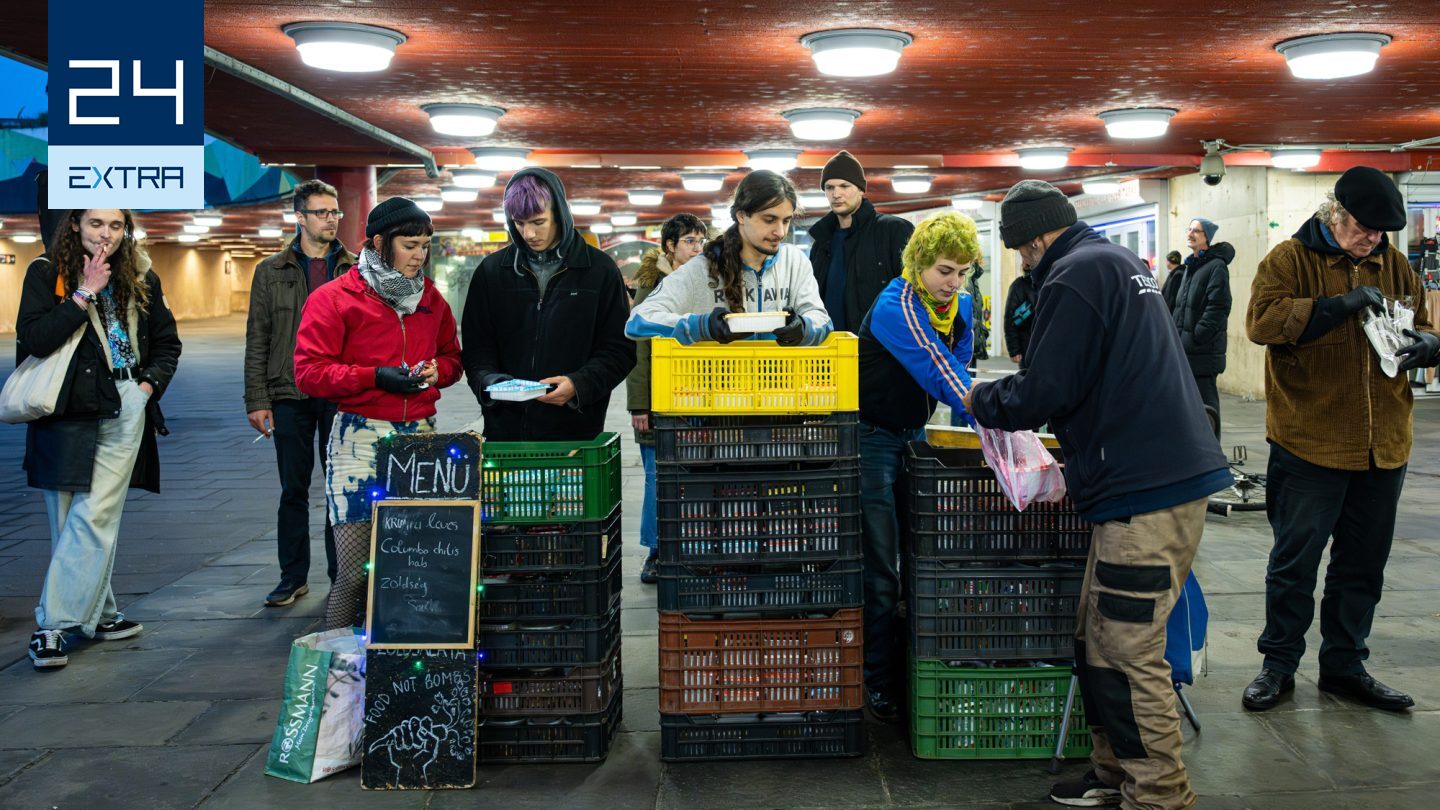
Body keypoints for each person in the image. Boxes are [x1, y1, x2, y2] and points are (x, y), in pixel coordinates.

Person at [958, 180, 1230, 810]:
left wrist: (979, 399)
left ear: (1034, 239)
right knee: (1098, 635)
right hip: (1143, 481)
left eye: (1022, 252)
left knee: (1130, 649)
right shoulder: (1114, 263)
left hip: (1145, 489)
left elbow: (1044, 388)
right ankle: (1114, 774)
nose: (1024, 263)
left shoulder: (1073, 276)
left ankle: (1159, 794)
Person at [1241, 166, 1440, 715]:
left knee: (1362, 564)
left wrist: (1427, 343)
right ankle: (1278, 666)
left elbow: (1422, 321)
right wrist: (1337, 307)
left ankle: (1345, 666)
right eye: (1365, 228)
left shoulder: (1393, 263)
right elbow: (1262, 322)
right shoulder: (1290, 259)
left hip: (1384, 445)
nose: (1373, 239)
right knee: (1295, 563)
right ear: (1336, 213)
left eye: (1381, 232)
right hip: (1310, 443)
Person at [18, 208, 181, 669]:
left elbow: (168, 343)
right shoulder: (47, 272)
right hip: (66, 411)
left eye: (115, 226)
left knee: (95, 515)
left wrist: (145, 386)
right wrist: (83, 293)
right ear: (74, 226)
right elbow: (34, 339)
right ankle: (102, 612)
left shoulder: (142, 277)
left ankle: (53, 625)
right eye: (95, 224)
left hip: (123, 402)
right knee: (69, 518)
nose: (106, 234)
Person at [294, 197, 463, 630]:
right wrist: (374, 376)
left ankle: (399, 665)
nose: (420, 255)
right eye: (410, 245)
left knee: (413, 567)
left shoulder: (431, 299)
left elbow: (452, 359)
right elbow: (309, 374)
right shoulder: (334, 298)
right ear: (378, 242)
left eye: (425, 245)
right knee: (353, 572)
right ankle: (336, 674)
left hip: (421, 439)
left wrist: (436, 370)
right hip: (359, 438)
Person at [855, 211, 976, 722]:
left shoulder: (962, 306)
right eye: (945, 271)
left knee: (922, 558)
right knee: (882, 569)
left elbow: (961, 366)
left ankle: (913, 668)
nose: (954, 283)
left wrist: (983, 427)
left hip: (914, 438)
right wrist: (1003, 411)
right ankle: (878, 681)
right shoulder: (895, 304)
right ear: (919, 264)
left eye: (963, 272)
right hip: (871, 441)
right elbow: (938, 366)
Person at [244, 179, 357, 607]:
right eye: (323, 212)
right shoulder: (269, 272)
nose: (332, 219)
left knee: (338, 488)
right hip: (289, 392)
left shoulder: (355, 267)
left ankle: (340, 578)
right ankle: (292, 577)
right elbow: (258, 337)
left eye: (335, 213)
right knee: (293, 489)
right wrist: (256, 398)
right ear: (299, 217)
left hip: (338, 391)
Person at [462, 168, 636, 442]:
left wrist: (579, 385)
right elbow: (476, 346)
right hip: (505, 431)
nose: (528, 233)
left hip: (576, 432)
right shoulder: (492, 272)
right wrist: (489, 382)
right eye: (519, 223)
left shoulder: (599, 270)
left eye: (538, 222)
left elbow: (619, 348)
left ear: (560, 213)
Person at [626, 169, 832, 347]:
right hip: (718, 390)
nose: (780, 231)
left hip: (781, 390)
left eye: (786, 221)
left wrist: (803, 328)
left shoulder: (794, 262)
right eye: (769, 220)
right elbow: (638, 320)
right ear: (741, 216)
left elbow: (822, 320)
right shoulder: (702, 268)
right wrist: (702, 326)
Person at [625, 213, 708, 584]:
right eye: (689, 241)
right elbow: (638, 351)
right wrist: (640, 404)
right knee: (656, 478)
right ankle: (655, 552)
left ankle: (689, 548)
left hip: (695, 397)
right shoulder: (652, 285)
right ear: (670, 246)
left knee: (690, 477)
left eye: (700, 241)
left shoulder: (705, 280)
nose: (697, 248)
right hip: (659, 400)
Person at [807, 150, 915, 333]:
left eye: (844, 186)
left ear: (860, 189)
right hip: (830, 348)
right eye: (829, 187)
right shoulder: (822, 241)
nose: (836, 194)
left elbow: (915, 294)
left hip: (877, 348)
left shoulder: (893, 231)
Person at [1170, 218, 1233, 436]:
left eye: (1196, 231)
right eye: (1189, 229)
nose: (1190, 234)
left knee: (1207, 409)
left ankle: (1213, 458)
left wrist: (1197, 336)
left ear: (1207, 237)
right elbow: (1182, 307)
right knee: (1189, 408)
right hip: (1186, 350)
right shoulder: (1191, 267)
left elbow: (1219, 306)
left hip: (1202, 351)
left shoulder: (1216, 267)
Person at [1003, 264, 1038, 364]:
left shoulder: (1049, 281)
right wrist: (1014, 350)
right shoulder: (1019, 285)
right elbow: (1010, 319)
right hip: (1027, 346)